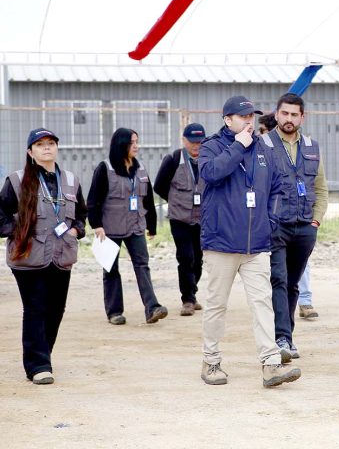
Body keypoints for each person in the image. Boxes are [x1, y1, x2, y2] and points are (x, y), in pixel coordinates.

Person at [198, 95, 300, 388]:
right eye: (243, 117)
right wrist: (237, 146)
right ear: (227, 120)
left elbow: (280, 186)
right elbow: (211, 174)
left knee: (262, 302)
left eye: (251, 117)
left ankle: (270, 365)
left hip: (257, 243)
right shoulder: (212, 147)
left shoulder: (263, 149)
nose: (249, 122)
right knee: (217, 304)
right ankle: (212, 361)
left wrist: (271, 221)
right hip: (221, 243)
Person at [0, 128, 87, 384]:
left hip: (62, 253)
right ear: (30, 151)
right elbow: (1, 214)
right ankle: (38, 365)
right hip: (28, 255)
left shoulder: (71, 180)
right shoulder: (17, 181)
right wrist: (17, 232)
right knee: (36, 306)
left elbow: (82, 214)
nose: (46, 148)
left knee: (56, 309)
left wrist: (76, 230)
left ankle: (42, 355)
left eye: (50, 143)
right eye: (40, 144)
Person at [260, 93, 328, 360]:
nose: (289, 119)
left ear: (302, 117)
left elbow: (321, 189)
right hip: (275, 226)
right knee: (278, 279)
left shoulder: (312, 147)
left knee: (292, 283)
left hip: (305, 227)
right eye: (284, 114)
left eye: (294, 114)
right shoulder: (261, 145)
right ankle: (282, 338)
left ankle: (286, 334)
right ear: (277, 115)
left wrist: (316, 220)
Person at [87, 128, 168, 325]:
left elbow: (148, 199)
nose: (136, 146)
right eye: (133, 143)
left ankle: (152, 308)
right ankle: (114, 312)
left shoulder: (140, 169)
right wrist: (96, 225)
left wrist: (152, 226)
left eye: (137, 142)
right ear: (121, 144)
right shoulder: (105, 169)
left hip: (135, 226)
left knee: (142, 266)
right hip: (109, 229)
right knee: (111, 269)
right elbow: (93, 200)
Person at [153, 123, 206, 316]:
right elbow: (159, 186)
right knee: (186, 257)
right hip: (180, 218)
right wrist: (176, 200)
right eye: (192, 142)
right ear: (184, 141)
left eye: (200, 142)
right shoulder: (174, 159)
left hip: (202, 219)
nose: (196, 146)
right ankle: (188, 300)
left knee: (198, 259)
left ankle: (192, 291)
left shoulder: (210, 159)